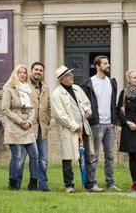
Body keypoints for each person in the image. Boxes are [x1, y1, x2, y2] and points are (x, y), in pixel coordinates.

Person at [51, 65, 95, 193]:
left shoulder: (77, 88)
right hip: (69, 131)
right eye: (69, 75)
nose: (72, 77)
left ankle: (89, 184)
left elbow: (86, 103)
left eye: (71, 74)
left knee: (87, 157)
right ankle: (69, 185)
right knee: (68, 158)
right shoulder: (56, 94)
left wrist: (88, 110)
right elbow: (59, 115)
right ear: (62, 79)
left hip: (84, 128)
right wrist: (74, 126)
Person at [82, 55, 121, 192]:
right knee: (93, 156)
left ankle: (110, 183)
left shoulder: (112, 82)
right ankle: (91, 184)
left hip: (109, 124)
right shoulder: (88, 83)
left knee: (110, 156)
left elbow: (113, 103)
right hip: (95, 124)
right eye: (105, 63)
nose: (108, 65)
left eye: (108, 63)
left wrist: (114, 121)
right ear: (98, 66)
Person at [2, 64, 39, 190]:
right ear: (15, 74)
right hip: (14, 127)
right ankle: (13, 183)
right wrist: (20, 121)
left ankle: (33, 183)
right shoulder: (8, 89)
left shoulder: (27, 89)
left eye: (24, 73)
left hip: (27, 127)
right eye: (20, 72)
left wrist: (29, 122)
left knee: (34, 155)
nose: (23, 75)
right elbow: (5, 109)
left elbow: (32, 108)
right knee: (17, 157)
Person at [17, 62, 51, 191]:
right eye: (36, 69)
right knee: (21, 158)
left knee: (43, 159)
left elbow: (48, 107)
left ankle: (42, 185)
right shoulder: (24, 86)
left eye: (41, 70)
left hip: (42, 129)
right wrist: (22, 122)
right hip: (27, 128)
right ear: (31, 71)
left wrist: (47, 121)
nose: (38, 72)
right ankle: (16, 184)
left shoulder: (45, 87)